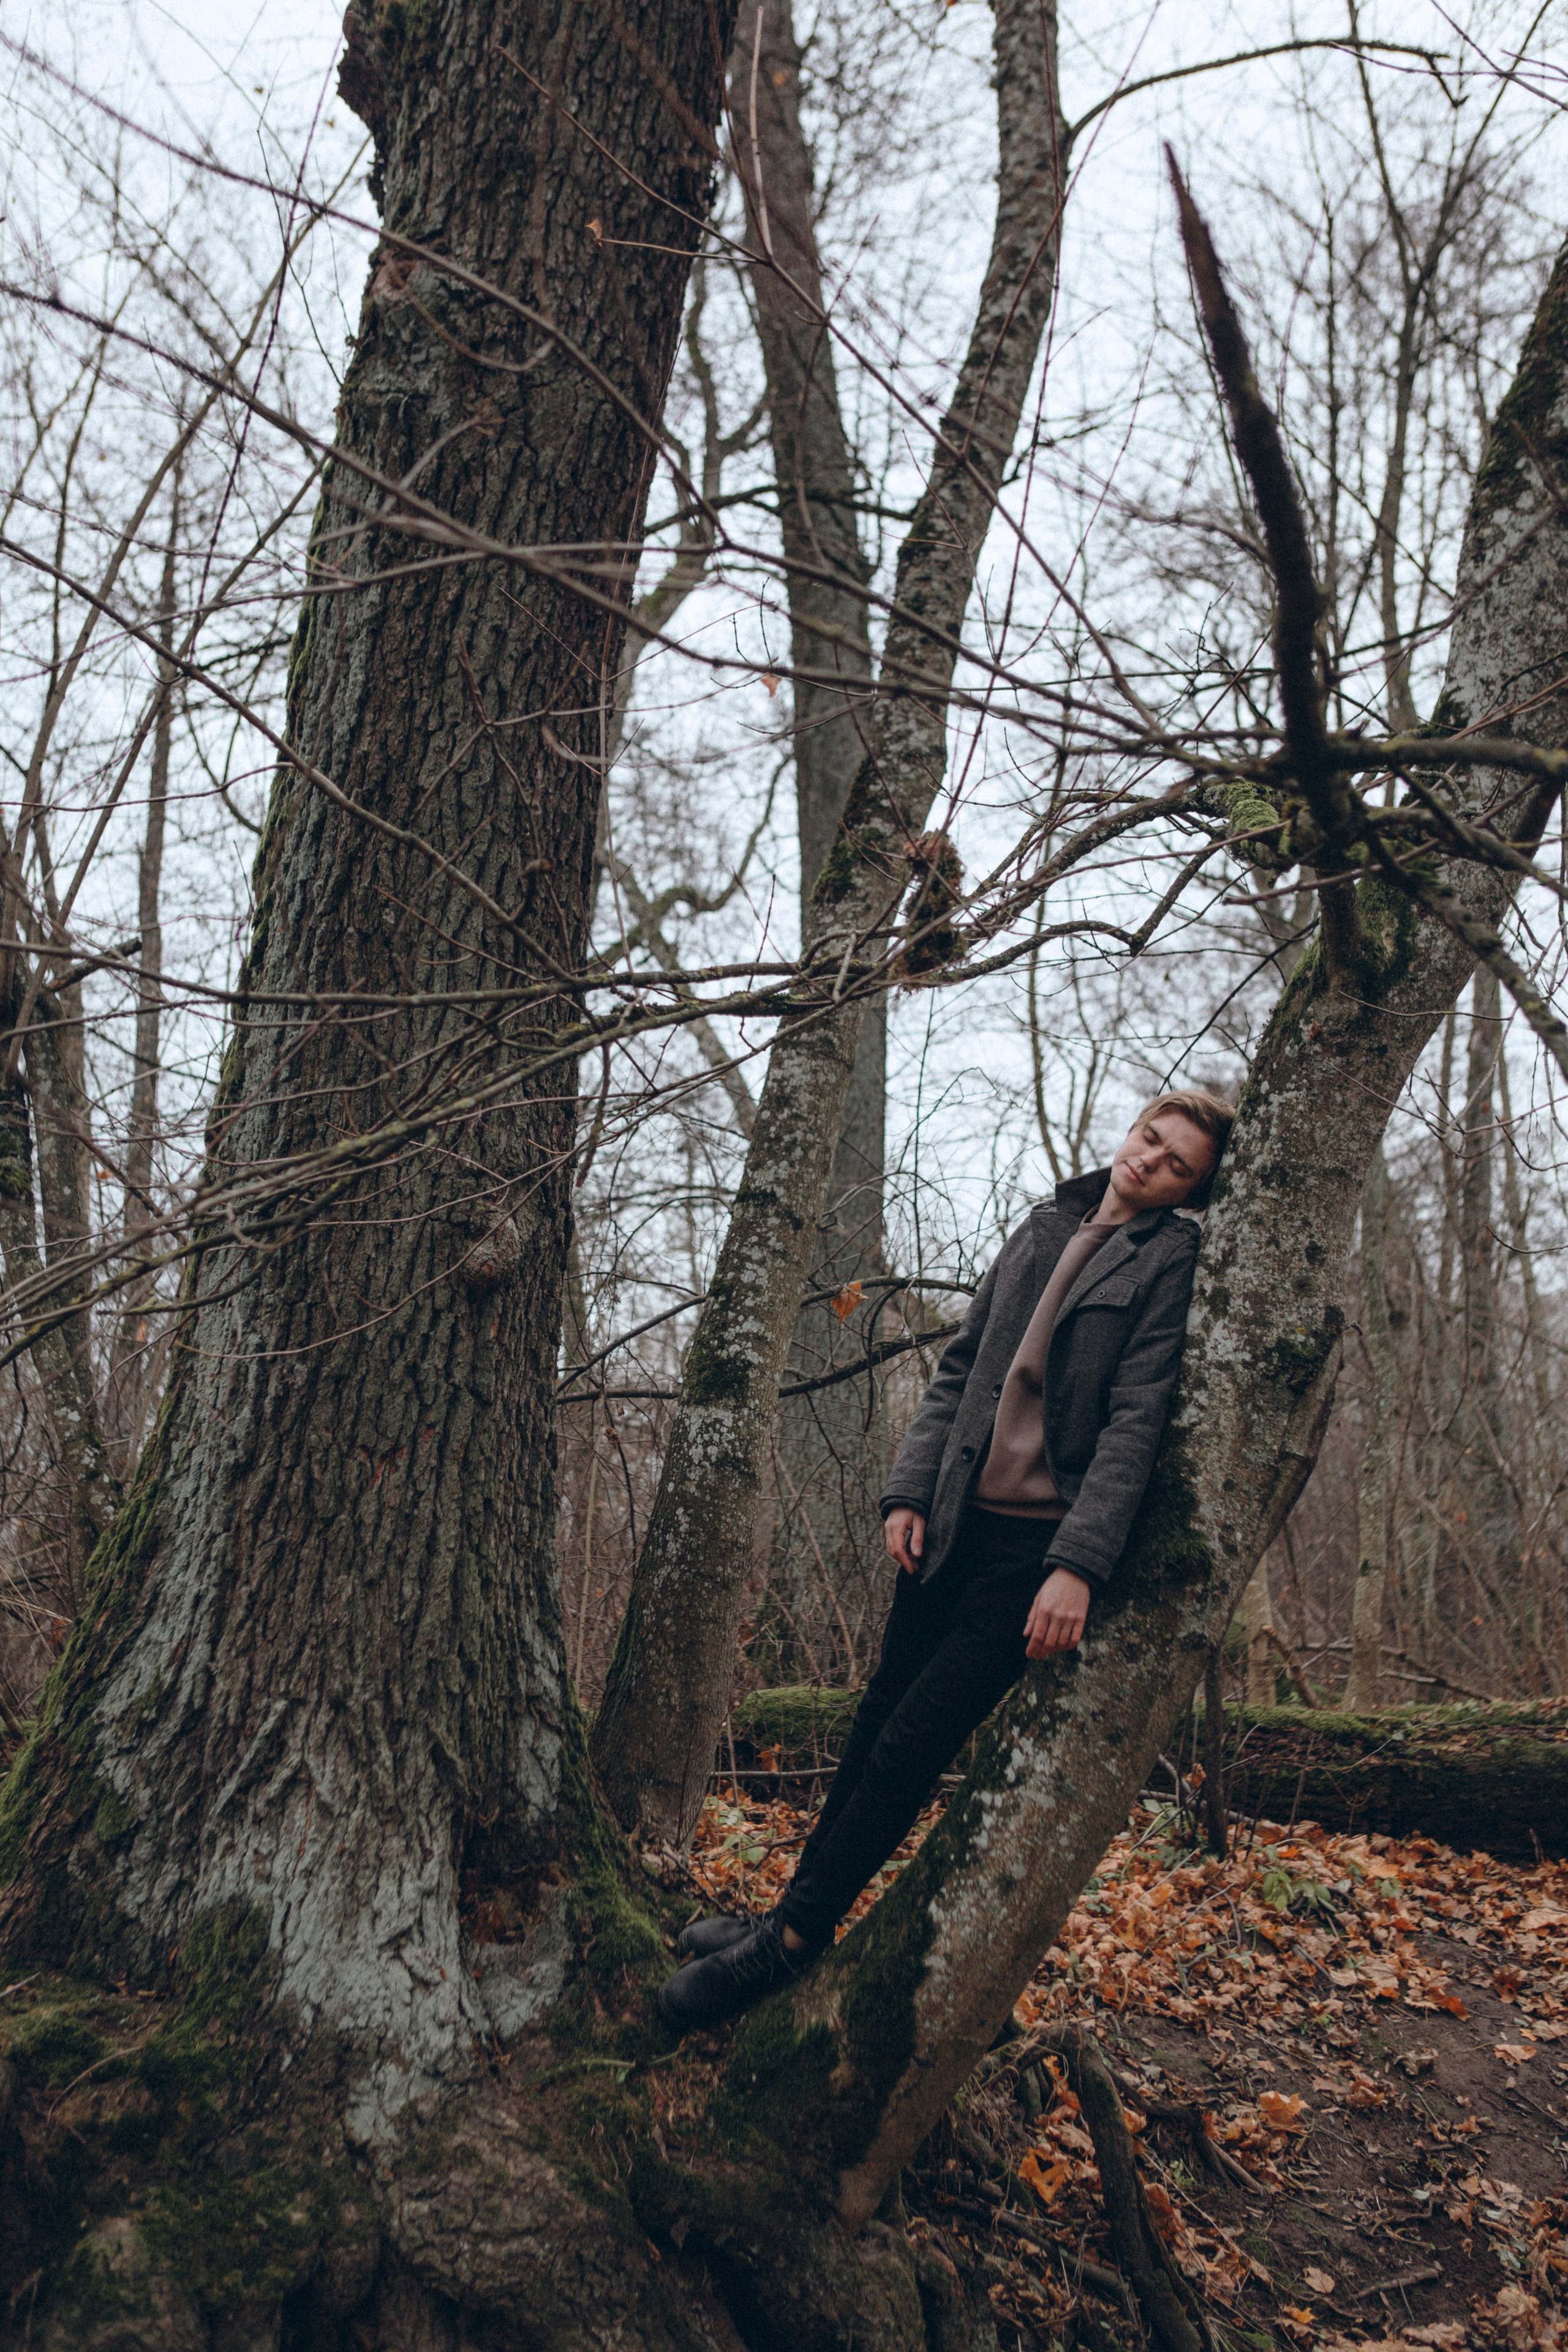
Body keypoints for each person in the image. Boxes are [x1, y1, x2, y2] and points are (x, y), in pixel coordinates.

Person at [657, 1087, 1237, 2033]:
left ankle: (792, 1942)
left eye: (1178, 1165)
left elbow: (1139, 1421)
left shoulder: (1169, 1260)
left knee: (912, 1744)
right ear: (1132, 1131)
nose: (1150, 1162)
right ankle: (790, 1913)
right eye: (1150, 1138)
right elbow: (962, 1367)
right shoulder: (1047, 1223)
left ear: (1191, 1190)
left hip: (1033, 1554)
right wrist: (909, 1490)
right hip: (953, 1522)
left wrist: (1079, 1565)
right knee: (875, 1719)